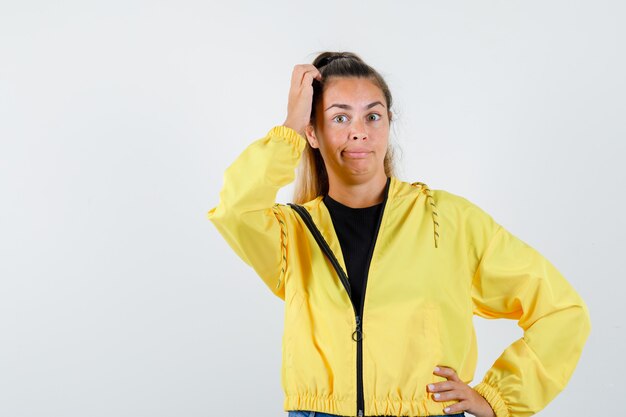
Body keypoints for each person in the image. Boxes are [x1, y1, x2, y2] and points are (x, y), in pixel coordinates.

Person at [207, 52, 591, 417]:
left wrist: (498, 397)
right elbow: (235, 209)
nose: (359, 132)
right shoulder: (293, 233)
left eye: (372, 117)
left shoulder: (449, 221)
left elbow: (561, 311)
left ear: (388, 124)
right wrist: (289, 126)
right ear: (313, 132)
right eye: (340, 118)